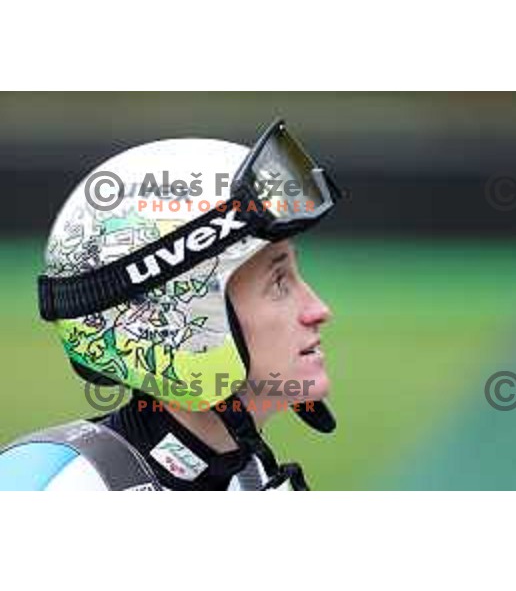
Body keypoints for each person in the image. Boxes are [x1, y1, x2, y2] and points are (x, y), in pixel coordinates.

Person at [0, 119, 342, 490]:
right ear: (173, 319)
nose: (318, 309)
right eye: (279, 282)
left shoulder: (248, 475)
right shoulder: (53, 488)